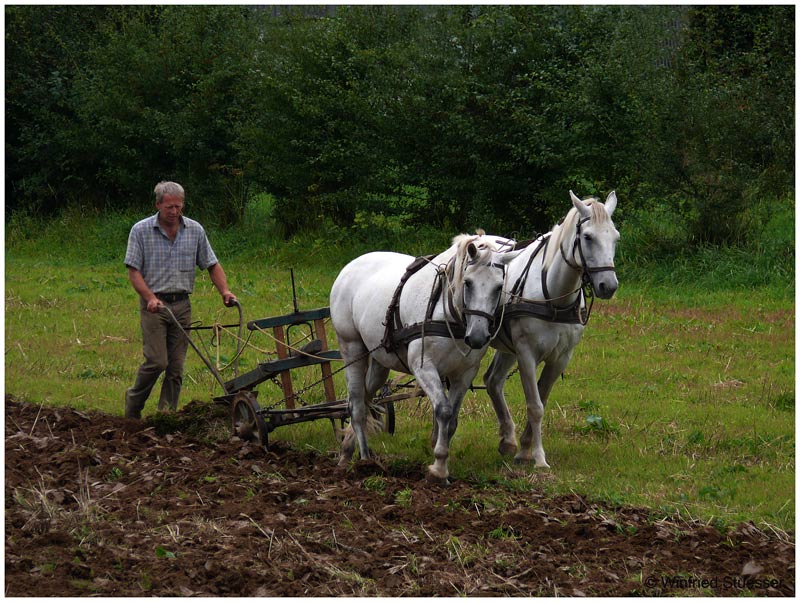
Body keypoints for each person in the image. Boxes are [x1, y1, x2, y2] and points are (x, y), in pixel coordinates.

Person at [124, 181, 236, 418]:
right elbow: (133, 271)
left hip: (182, 305)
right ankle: (133, 406)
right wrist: (150, 298)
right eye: (169, 207)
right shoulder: (141, 230)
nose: (174, 212)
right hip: (155, 306)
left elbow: (211, 264)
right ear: (158, 205)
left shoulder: (194, 230)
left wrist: (225, 291)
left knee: (176, 368)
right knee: (157, 361)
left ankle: (166, 416)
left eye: (178, 207)